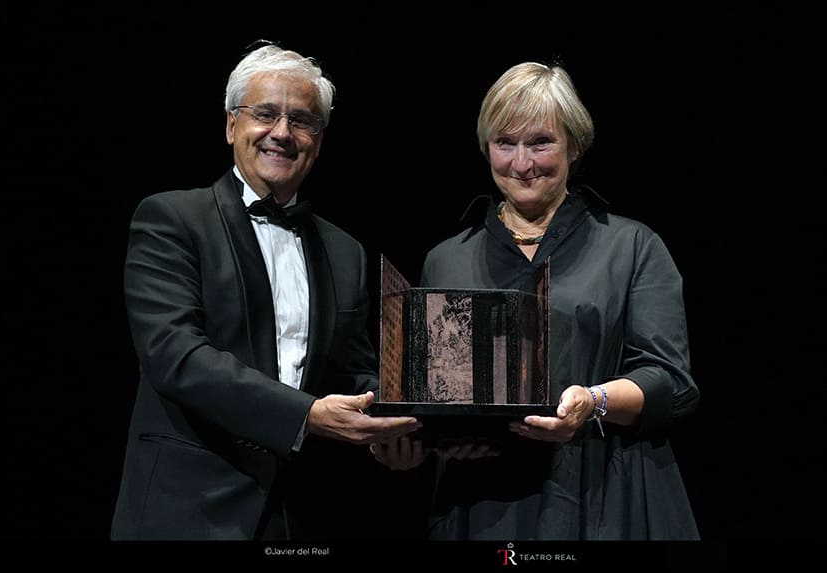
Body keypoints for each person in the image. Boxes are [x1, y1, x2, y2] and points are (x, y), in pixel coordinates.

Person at [372, 61, 700, 540]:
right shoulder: (446, 259)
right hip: (481, 503)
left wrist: (594, 401)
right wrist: (415, 444)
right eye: (505, 143)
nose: (522, 164)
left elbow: (672, 382)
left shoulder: (631, 246)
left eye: (541, 142)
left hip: (602, 493)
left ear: (575, 145)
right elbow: (431, 398)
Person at [110, 42, 421, 540]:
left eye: (302, 120)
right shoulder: (171, 219)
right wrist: (307, 415)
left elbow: (352, 370)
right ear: (232, 125)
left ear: (319, 139)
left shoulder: (345, 250)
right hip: (187, 509)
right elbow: (176, 356)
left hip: (300, 515)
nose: (282, 132)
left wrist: (398, 424)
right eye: (265, 114)